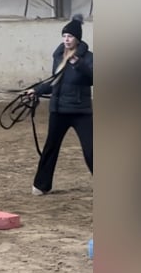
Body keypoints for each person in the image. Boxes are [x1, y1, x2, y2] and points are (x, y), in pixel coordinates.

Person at [26, 14, 93, 195]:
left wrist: (79, 64)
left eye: (69, 37)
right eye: (64, 36)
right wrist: (37, 90)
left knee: (91, 149)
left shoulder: (87, 57)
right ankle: (41, 185)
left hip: (81, 111)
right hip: (58, 110)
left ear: (77, 39)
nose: (66, 40)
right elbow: (54, 81)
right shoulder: (58, 56)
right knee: (50, 148)